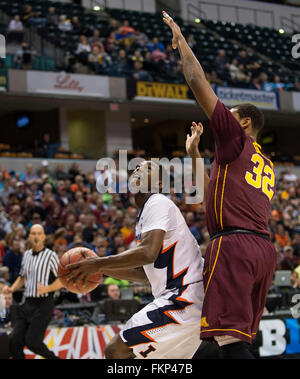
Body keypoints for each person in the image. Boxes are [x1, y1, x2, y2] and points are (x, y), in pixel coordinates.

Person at [163, 11, 277, 359]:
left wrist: (182, 43)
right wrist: (195, 153)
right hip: (262, 251)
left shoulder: (236, 141)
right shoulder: (263, 163)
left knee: (232, 344)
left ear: (242, 122)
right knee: (222, 340)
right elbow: (209, 192)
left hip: (234, 247)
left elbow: (198, 82)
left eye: (229, 115)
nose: (221, 119)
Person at [66, 160, 204, 359]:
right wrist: (101, 269)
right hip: (187, 301)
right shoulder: (146, 213)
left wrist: (97, 263)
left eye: (148, 168)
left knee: (116, 351)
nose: (139, 168)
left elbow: (148, 253)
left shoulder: (157, 201)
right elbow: (144, 274)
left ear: (158, 184)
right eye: (137, 167)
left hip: (184, 299)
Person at [2, 224, 63, 359]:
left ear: (43, 237)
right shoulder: (26, 255)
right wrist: (11, 289)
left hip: (43, 304)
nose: (36, 236)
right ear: (29, 237)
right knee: (13, 341)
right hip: (27, 303)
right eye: (33, 233)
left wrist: (47, 288)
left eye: (39, 233)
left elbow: (62, 280)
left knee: (33, 343)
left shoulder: (51, 256)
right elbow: (22, 277)